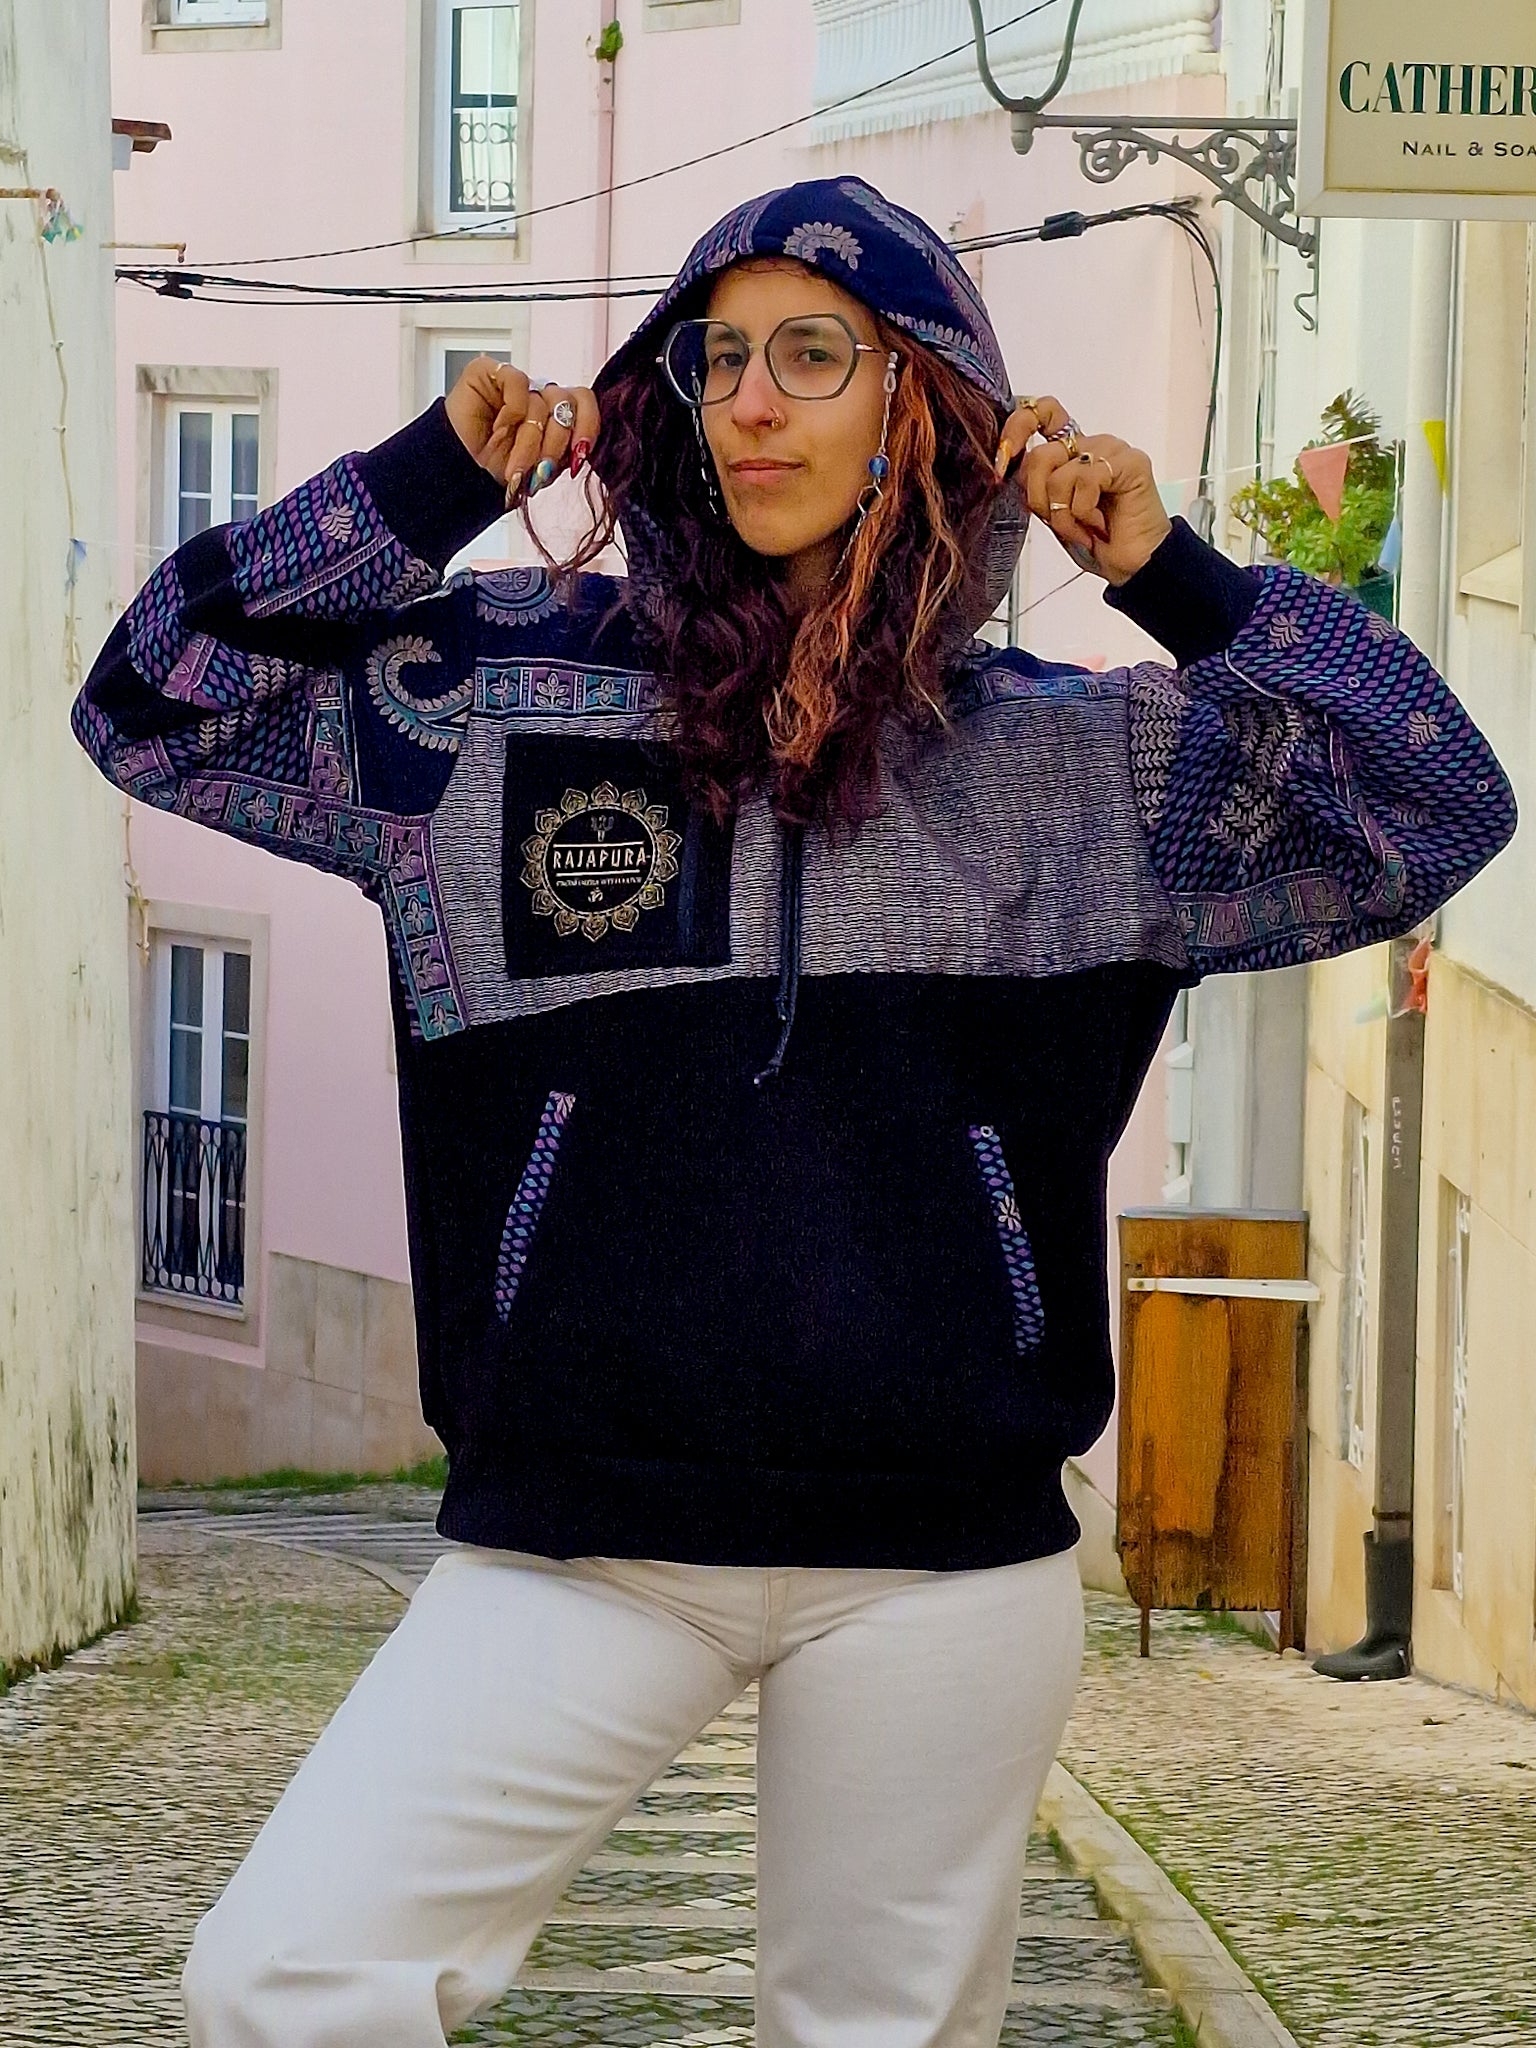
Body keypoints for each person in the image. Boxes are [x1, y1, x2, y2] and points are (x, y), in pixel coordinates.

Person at [74, 176, 1515, 2048]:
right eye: (720, 356)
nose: (751, 401)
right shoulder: (488, 702)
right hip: (587, 1539)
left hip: (941, 1565)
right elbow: (150, 703)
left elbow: (1434, 802)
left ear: (925, 402)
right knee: (282, 1973)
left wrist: (1174, 574)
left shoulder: (1087, 768)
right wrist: (427, 485)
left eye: (815, 354)